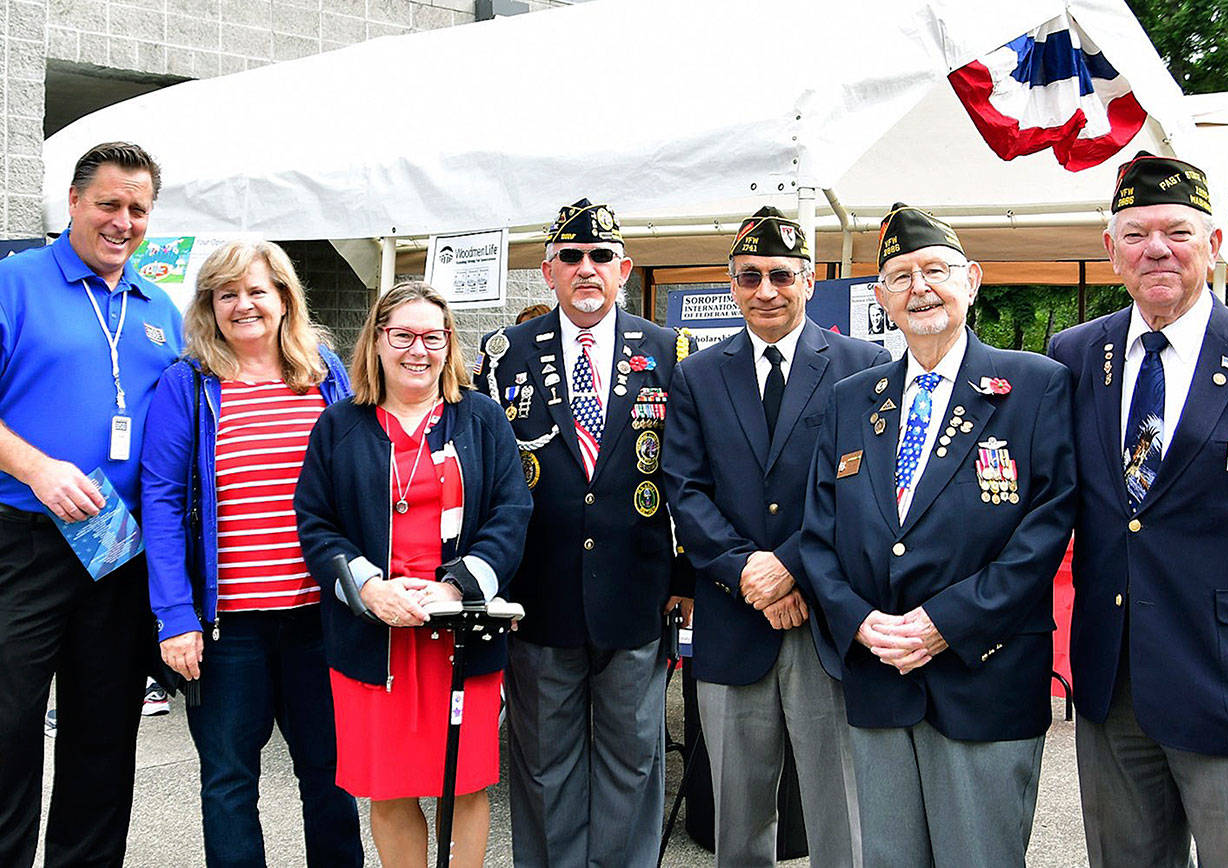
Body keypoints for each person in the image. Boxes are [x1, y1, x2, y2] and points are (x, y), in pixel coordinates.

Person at [800, 204, 1076, 867]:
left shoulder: (1034, 386)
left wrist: (943, 622)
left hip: (984, 677)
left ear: (972, 279)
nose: (920, 287)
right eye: (901, 276)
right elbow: (816, 536)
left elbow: (1045, 527)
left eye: (936, 270)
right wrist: (863, 623)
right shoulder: (851, 399)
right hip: (879, 676)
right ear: (881, 298)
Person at [1047, 152, 1228, 866]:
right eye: (1135, 233)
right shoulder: (1073, 355)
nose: (1156, 248)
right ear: (1111, 251)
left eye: (1177, 232)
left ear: (1214, 242)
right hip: (1114, 683)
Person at [664, 206, 885, 866]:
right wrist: (748, 574)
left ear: (810, 279)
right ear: (732, 283)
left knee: (839, 817)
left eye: (781, 275)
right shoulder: (698, 374)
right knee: (738, 823)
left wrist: (789, 567)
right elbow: (686, 488)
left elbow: (864, 494)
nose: (766, 290)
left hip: (823, 620)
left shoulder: (861, 365)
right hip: (734, 621)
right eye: (749, 275)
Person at [474, 198, 691, 866]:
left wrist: (685, 580)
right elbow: (492, 485)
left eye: (600, 257)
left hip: (638, 593)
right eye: (571, 257)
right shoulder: (507, 356)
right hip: (539, 599)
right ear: (548, 271)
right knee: (543, 770)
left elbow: (685, 473)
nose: (586, 268)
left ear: (623, 268)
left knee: (634, 764)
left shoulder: (666, 350)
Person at [140, 239, 362, 867]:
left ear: (285, 298)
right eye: (227, 293)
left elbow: (356, 474)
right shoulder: (189, 383)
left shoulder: (323, 373)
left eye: (257, 290)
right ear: (209, 304)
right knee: (230, 781)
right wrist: (175, 615)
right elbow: (159, 500)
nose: (243, 305)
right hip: (226, 626)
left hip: (319, 615)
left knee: (331, 774)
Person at [295, 281, 531, 866]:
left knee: (466, 781)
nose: (417, 350)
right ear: (377, 341)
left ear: (449, 344)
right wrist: (370, 588)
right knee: (390, 784)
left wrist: (456, 586)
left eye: (432, 336)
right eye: (403, 335)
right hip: (374, 636)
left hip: (461, 632)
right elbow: (316, 523)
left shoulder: (479, 418)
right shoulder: (339, 426)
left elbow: (512, 510)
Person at [0, 141, 184, 867]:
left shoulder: (160, 306)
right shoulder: (15, 282)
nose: (124, 221)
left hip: (119, 549)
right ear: (73, 203)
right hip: (24, 539)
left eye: (138, 209)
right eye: (109, 204)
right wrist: (36, 466)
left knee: (103, 737)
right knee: (9, 729)